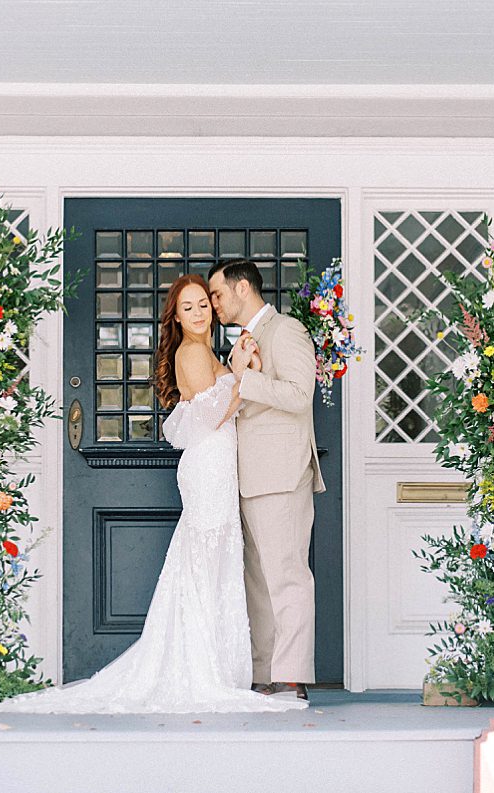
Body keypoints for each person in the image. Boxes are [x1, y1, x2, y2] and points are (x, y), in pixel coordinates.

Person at [0, 274, 303, 714]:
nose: (200, 312)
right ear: (176, 317)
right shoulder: (191, 351)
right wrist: (241, 377)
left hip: (219, 465)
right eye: (189, 307)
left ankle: (217, 667)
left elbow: (225, 400)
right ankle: (202, 671)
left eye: (204, 303)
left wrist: (241, 368)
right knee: (206, 560)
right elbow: (215, 415)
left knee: (215, 560)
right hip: (208, 467)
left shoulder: (207, 352)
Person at [207, 259, 324, 703]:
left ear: (241, 288)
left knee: (288, 577)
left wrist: (244, 378)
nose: (214, 303)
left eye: (218, 294)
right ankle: (264, 674)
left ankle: (292, 678)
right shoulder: (241, 343)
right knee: (257, 582)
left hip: (281, 473)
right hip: (246, 476)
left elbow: (299, 395)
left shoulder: (287, 330)